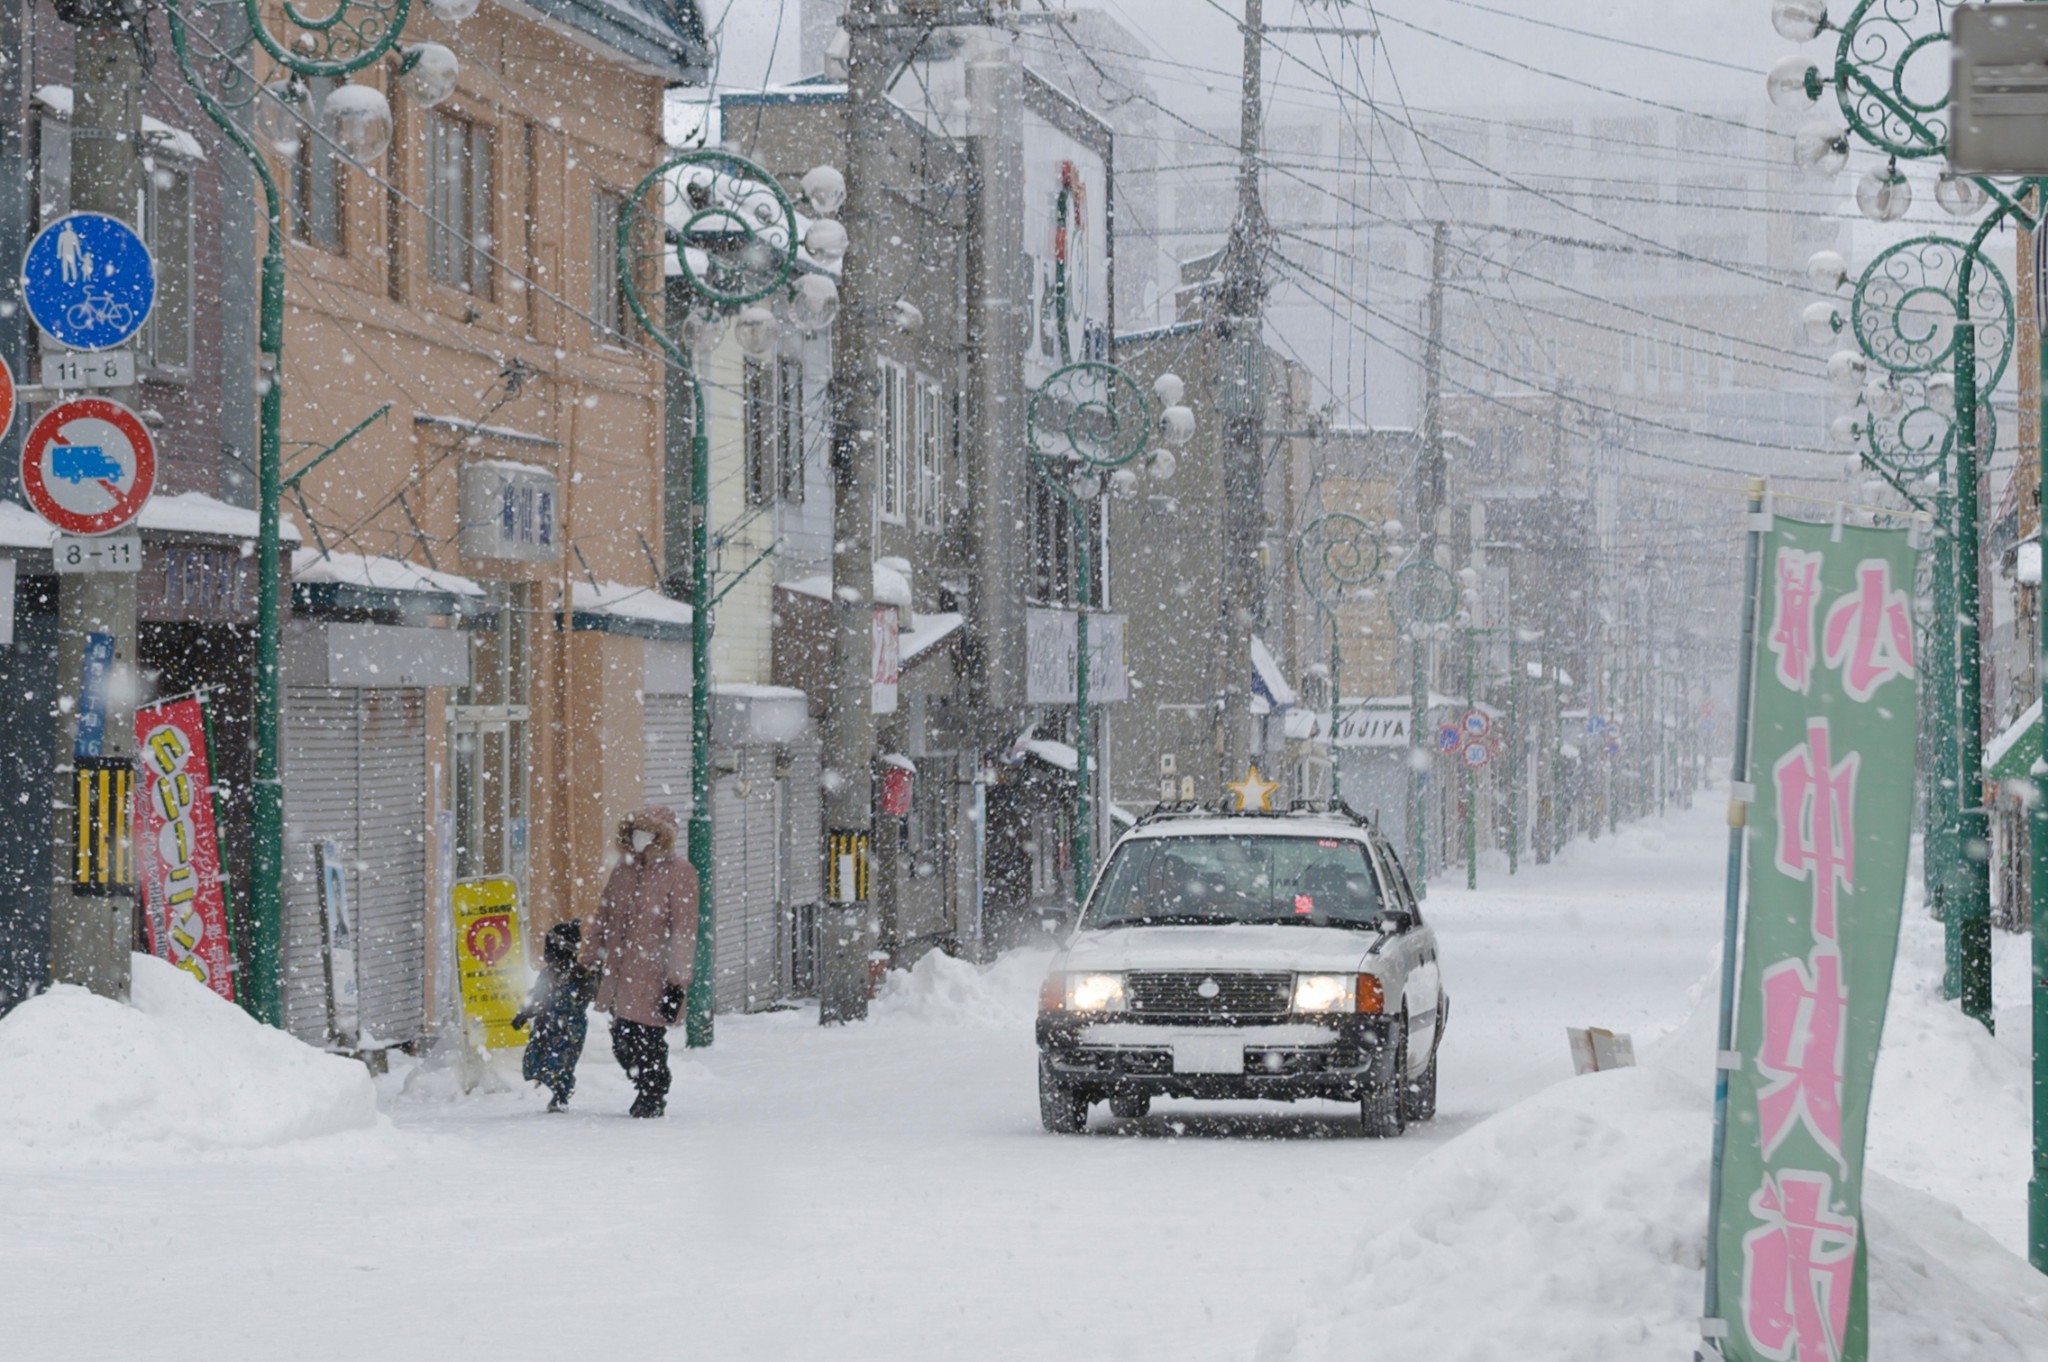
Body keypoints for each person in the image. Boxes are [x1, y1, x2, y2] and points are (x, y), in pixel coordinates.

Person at [579, 805, 698, 1118]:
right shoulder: (624, 868)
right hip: (620, 971)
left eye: (648, 832)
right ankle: (645, 1083)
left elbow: (683, 932)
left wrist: (677, 982)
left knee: (647, 1037)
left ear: (662, 837)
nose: (640, 837)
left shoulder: (679, 873)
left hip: (654, 973)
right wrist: (589, 958)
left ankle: (653, 1090)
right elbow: (604, 916)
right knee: (622, 1037)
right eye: (635, 831)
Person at [510, 919, 597, 1113]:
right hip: (547, 1025)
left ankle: (561, 1094)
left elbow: (594, 994)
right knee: (539, 1060)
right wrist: (523, 1014)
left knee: (562, 1063)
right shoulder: (548, 974)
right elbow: (536, 996)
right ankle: (558, 1089)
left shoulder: (581, 975)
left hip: (570, 1028)